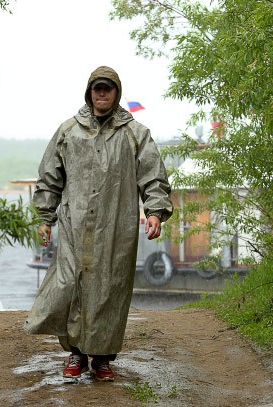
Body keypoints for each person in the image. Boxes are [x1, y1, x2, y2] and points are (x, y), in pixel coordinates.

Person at [24, 65, 173, 382]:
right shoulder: (68, 131)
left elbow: (154, 178)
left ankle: (103, 358)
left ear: (117, 93)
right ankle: (76, 355)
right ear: (89, 92)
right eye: (97, 88)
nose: (102, 93)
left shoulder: (135, 133)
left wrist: (156, 212)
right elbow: (50, 179)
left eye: (108, 88)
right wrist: (44, 218)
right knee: (71, 287)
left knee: (110, 290)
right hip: (74, 225)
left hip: (117, 228)